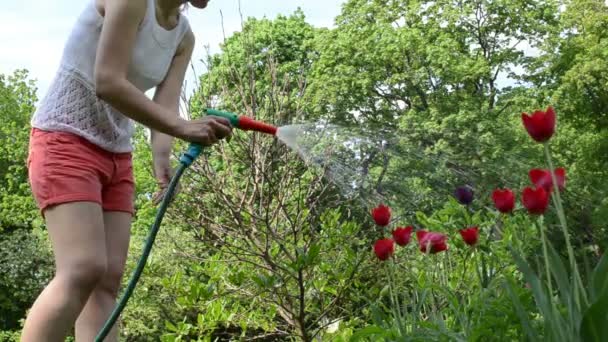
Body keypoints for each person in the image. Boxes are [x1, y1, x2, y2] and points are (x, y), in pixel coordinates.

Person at [21, 0, 232, 341]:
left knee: (107, 281)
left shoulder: (183, 36)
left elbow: (166, 104)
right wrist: (183, 127)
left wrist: (163, 161)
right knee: (82, 268)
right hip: (64, 137)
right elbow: (108, 82)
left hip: (117, 151)